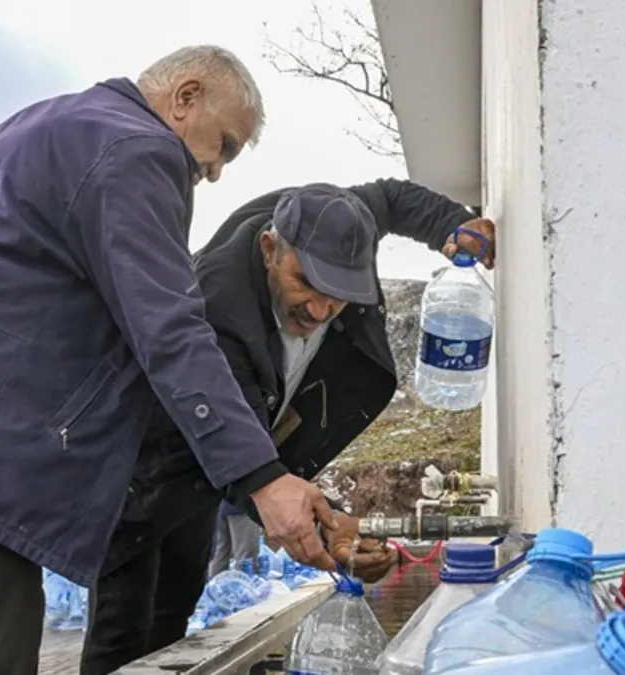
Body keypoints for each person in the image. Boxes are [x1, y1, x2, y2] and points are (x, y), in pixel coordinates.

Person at [0, 46, 342, 675]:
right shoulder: (136, 151)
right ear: (186, 97)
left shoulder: (58, 122)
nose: (217, 170)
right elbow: (170, 330)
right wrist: (261, 476)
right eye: (223, 145)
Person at [81, 180, 497, 673]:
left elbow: (389, 199)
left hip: (205, 479)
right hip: (142, 462)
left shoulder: (342, 224)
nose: (319, 310)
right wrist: (326, 528)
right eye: (305, 283)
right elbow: (248, 458)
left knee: (174, 613)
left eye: (338, 296)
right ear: (269, 250)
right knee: (125, 627)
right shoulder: (216, 314)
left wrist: (450, 222)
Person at [208, 501, 265, 577]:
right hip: (243, 507)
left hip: (222, 506)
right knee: (246, 560)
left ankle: (214, 583)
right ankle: (243, 583)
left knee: (219, 555)